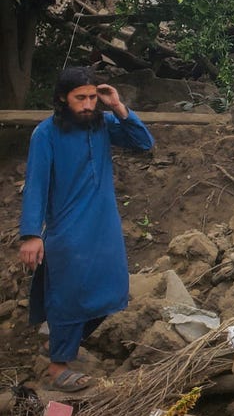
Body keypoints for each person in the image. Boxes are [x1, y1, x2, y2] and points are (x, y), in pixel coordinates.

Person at [18, 67, 154, 392]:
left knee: (113, 289)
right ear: (63, 99)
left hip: (104, 226)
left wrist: (118, 106)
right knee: (68, 295)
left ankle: (60, 343)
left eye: (93, 97)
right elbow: (36, 185)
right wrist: (31, 234)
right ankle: (57, 365)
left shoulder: (103, 124)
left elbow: (143, 143)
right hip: (68, 230)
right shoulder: (45, 135)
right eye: (81, 98)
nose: (89, 104)